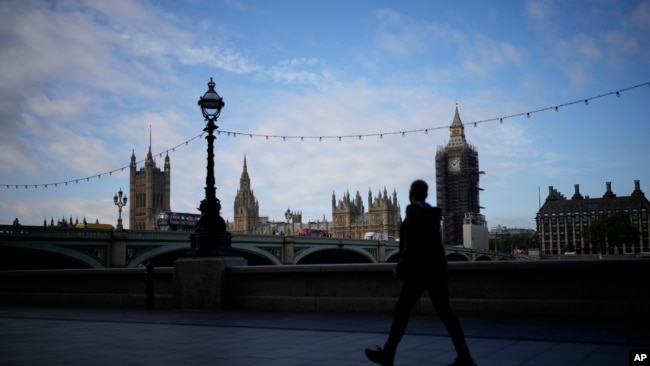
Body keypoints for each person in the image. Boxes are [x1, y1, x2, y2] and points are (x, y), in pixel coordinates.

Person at [365, 179, 475, 366]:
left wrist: (400, 268)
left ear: (412, 194)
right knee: (446, 314)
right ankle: (465, 356)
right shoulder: (431, 214)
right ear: (426, 194)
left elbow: (412, 245)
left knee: (402, 312)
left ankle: (388, 354)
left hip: (419, 271)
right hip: (436, 270)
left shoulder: (414, 212)